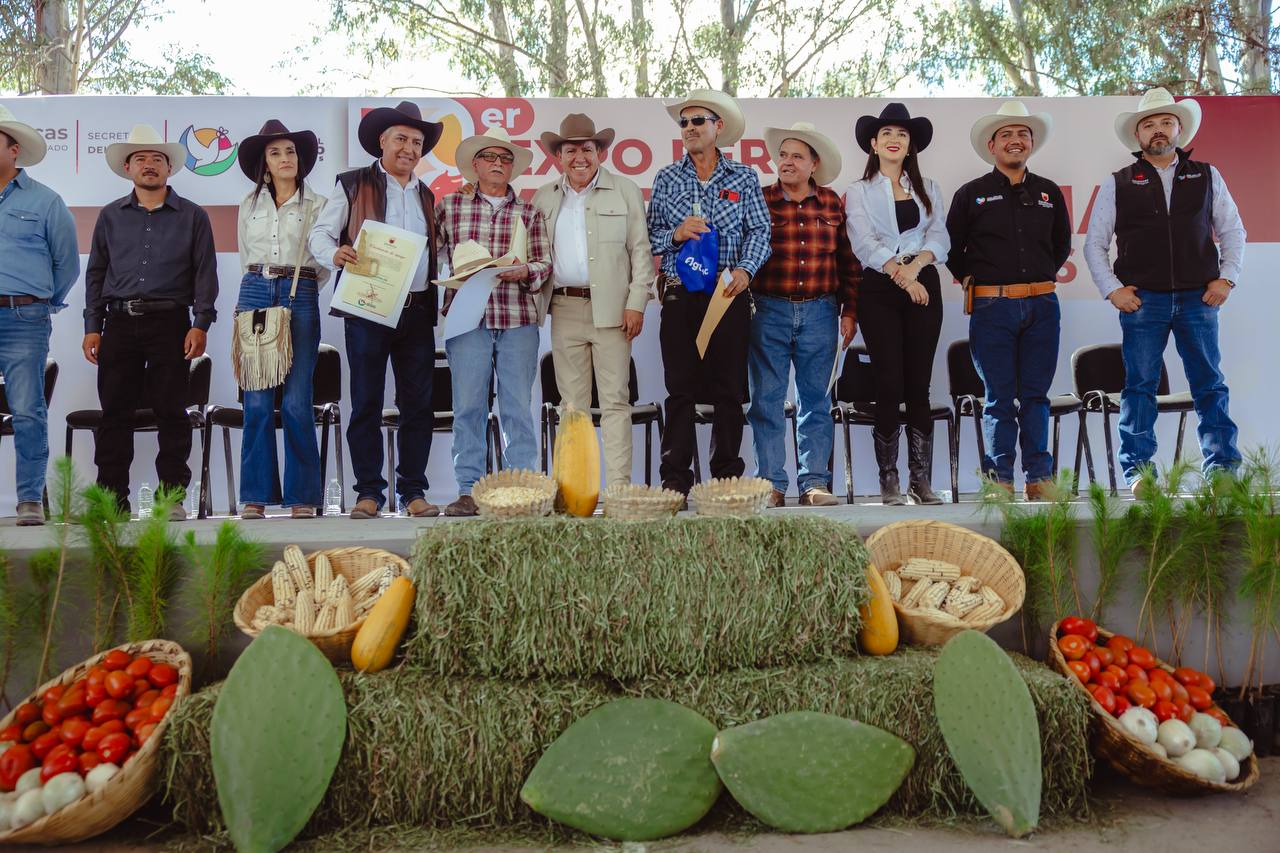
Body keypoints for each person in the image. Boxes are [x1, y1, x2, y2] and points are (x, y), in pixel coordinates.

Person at [1084, 88, 1245, 496]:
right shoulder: (1119, 181)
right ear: (1138, 136)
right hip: (1143, 303)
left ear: (1179, 128)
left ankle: (1223, 470)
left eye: (1165, 122)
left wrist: (1227, 278)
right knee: (1139, 387)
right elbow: (1094, 243)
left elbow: (1232, 231)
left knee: (1210, 383)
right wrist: (1112, 290)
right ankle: (1140, 473)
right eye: (1149, 124)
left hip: (1199, 299)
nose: (1158, 130)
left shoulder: (1208, 175)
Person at [310, 100, 443, 519]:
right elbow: (320, 234)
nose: (409, 148)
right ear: (382, 142)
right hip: (367, 308)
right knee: (366, 401)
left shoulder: (427, 195)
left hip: (417, 311)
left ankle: (412, 491)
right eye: (401, 139)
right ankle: (369, 491)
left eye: (417, 142)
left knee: (418, 405)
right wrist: (335, 254)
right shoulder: (351, 184)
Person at [83, 125, 217, 520]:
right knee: (114, 415)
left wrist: (201, 322)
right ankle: (111, 500)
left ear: (169, 169)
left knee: (172, 413)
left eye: (157, 159)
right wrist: (93, 325)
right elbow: (96, 273)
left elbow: (204, 273)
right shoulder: (110, 216)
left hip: (172, 324)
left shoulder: (193, 216)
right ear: (128, 168)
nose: (149, 165)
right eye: (140, 159)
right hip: (118, 324)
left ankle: (171, 498)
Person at [647, 89, 771, 499]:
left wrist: (745, 269)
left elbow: (761, 232)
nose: (689, 129)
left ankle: (725, 481)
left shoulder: (744, 177)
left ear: (718, 127)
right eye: (683, 122)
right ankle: (675, 482)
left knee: (729, 391)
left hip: (726, 293)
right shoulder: (666, 178)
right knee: (679, 389)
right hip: (681, 295)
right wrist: (677, 233)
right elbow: (651, 235)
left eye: (697, 121)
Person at [946, 101, 1069, 501]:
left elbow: (1061, 246)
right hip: (991, 307)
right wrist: (980, 283)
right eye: (1007, 136)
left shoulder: (1049, 192)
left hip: (1042, 306)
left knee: (1035, 394)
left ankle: (1039, 478)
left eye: (1023, 135)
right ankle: (999, 480)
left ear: (1031, 143)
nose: (1015, 141)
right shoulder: (972, 194)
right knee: (998, 397)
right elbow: (952, 249)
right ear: (992, 145)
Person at [531, 113, 651, 490]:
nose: (579, 156)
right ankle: (575, 491)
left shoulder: (625, 190)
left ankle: (617, 491)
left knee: (616, 401)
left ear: (600, 152)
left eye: (587, 148)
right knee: (572, 407)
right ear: (559, 155)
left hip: (614, 310)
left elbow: (641, 253)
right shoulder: (544, 197)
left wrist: (636, 302)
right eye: (571, 149)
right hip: (564, 308)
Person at [436, 126, 552, 516]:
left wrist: (526, 272)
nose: (498, 164)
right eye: (490, 158)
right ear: (475, 165)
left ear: (513, 168)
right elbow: (429, 257)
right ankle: (469, 488)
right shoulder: (449, 207)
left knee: (517, 406)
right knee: (467, 406)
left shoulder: (530, 212)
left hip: (517, 316)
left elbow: (543, 263)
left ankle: (520, 488)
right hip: (467, 319)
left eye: (505, 159)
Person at [749, 121, 859, 508]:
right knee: (765, 400)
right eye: (782, 155)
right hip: (768, 310)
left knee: (816, 401)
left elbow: (849, 263)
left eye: (797, 156)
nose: (787, 162)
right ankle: (771, 484)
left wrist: (850, 312)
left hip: (822, 312)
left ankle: (815, 484)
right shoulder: (759, 199)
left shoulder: (832, 203)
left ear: (814, 163)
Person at [845, 103, 949, 506]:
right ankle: (888, 481)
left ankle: (919, 482)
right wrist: (902, 277)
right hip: (880, 287)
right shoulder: (858, 190)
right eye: (886, 133)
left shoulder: (931, 188)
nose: (894, 139)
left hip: (923, 283)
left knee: (918, 384)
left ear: (910, 146)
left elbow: (939, 236)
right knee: (888, 381)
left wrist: (918, 268)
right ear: (873, 143)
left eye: (902, 135)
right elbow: (863, 242)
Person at [234, 120, 328, 519]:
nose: (284, 158)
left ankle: (302, 497)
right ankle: (255, 496)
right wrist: (264, 285)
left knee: (295, 400)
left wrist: (297, 285)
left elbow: (322, 262)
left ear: (300, 159)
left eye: (290, 151)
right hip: (255, 289)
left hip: (300, 291)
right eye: (275, 153)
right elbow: (244, 255)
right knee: (256, 400)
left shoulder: (318, 204)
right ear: (265, 163)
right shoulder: (248, 204)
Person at [0, 105, 79, 526]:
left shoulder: (46, 200)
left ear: (14, 150)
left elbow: (66, 264)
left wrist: (41, 302)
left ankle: (29, 499)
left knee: (28, 409)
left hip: (23, 320)